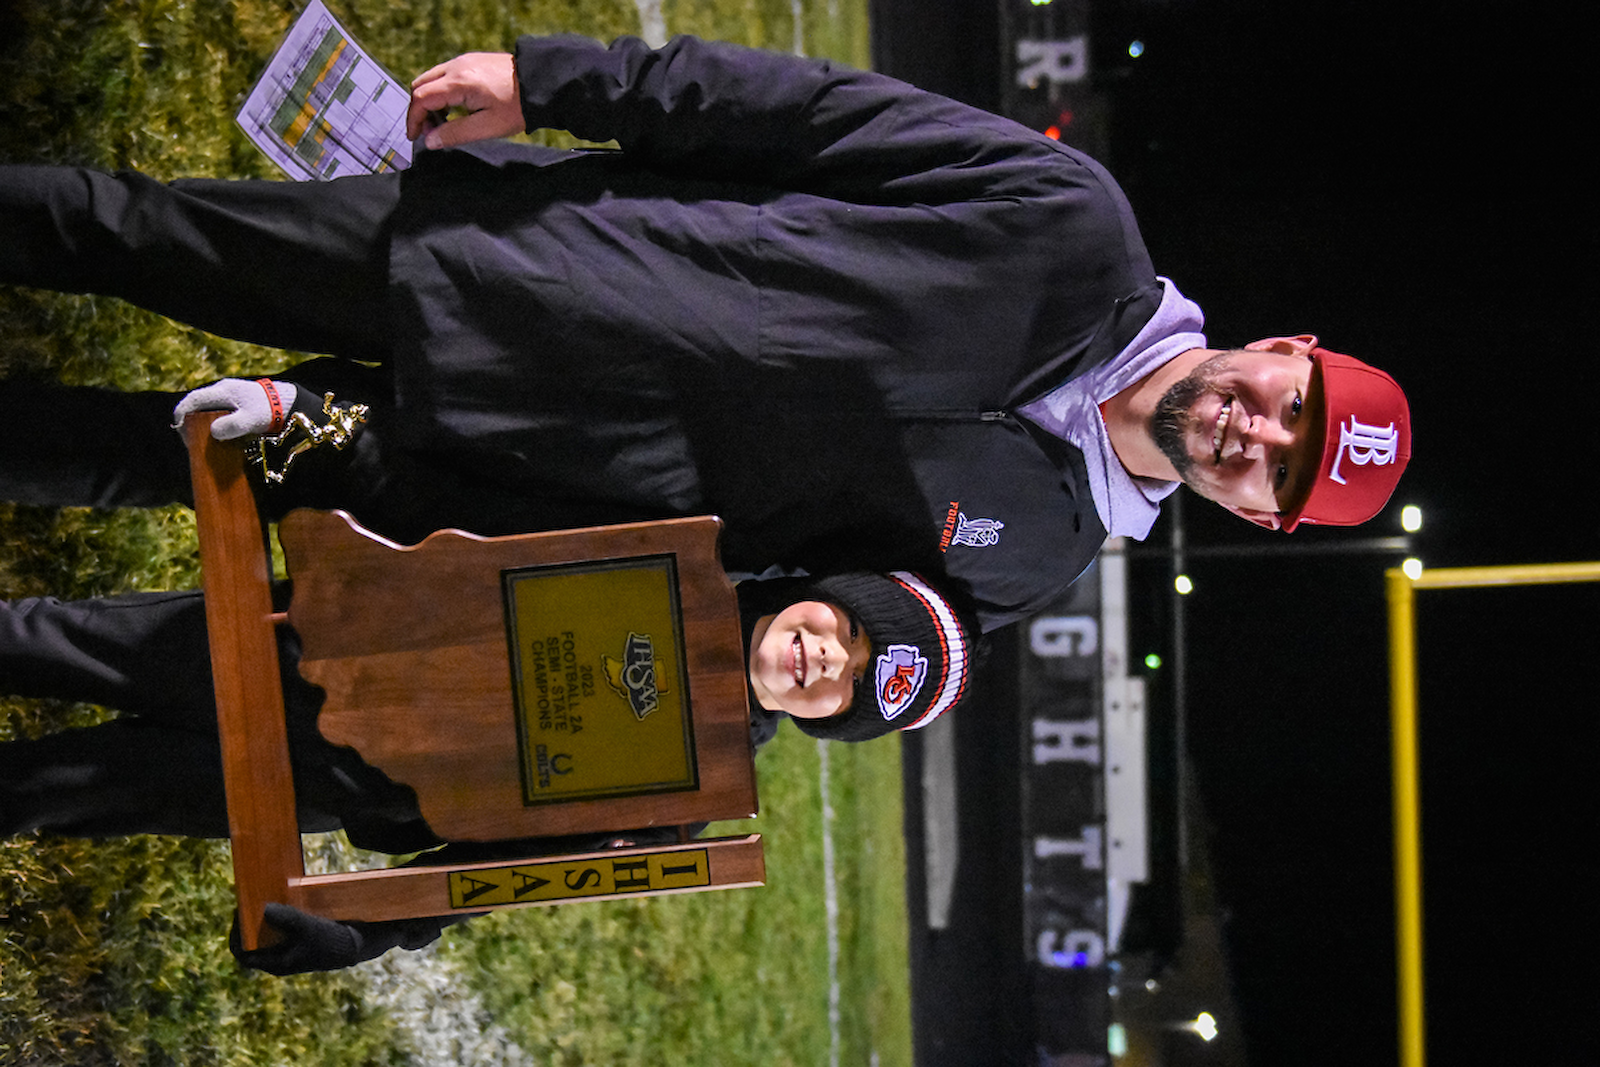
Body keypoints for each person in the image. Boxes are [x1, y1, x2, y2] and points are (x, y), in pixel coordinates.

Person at [0, 33, 1413, 637]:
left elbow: (796, 628)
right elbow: (800, 113)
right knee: (137, 235)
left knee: (166, 455)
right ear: (1285, 347)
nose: (1256, 433)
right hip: (520, 265)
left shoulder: (1038, 556)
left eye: (1279, 470)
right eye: (1291, 403)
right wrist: (550, 81)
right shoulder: (1074, 221)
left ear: (1257, 513)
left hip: (518, 477)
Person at [0, 566, 975, 972]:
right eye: (847, 628)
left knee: (62, 786)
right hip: (307, 641)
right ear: (827, 593)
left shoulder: (693, 794)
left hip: (324, 781)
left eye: (848, 686)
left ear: (831, 723)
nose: (824, 657)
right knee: (48, 642)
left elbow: (502, 876)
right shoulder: (685, 548)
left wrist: (359, 930)